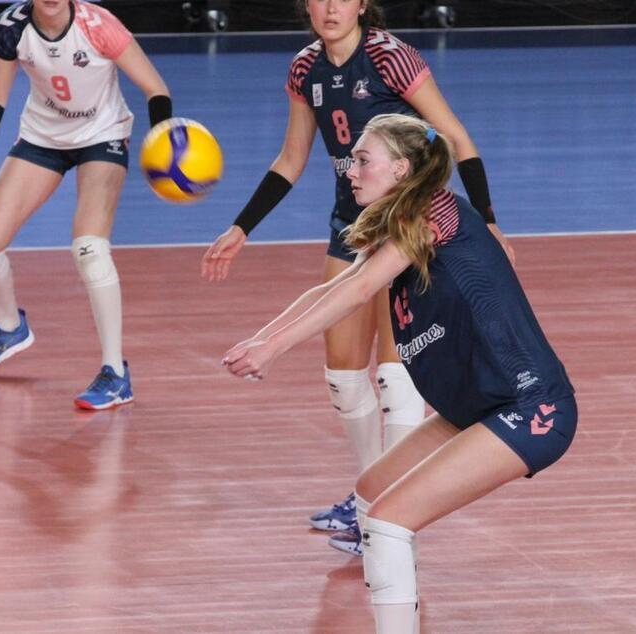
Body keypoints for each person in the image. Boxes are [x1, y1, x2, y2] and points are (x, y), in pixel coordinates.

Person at [201, 0, 514, 555]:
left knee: (397, 373)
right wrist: (242, 227)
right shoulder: (303, 70)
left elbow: (455, 135)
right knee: (344, 375)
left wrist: (490, 219)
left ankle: (393, 508)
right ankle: (368, 495)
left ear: (362, 4)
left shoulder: (391, 57)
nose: (331, 9)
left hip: (409, 224)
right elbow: (291, 160)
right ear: (307, 2)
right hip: (351, 224)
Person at [223, 114, 576, 633]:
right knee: (371, 495)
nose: (351, 169)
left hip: (529, 407)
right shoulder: (397, 227)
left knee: (389, 520)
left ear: (402, 169)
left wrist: (275, 349)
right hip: (478, 406)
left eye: (364, 160)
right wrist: (263, 335)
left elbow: (359, 292)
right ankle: (398, 609)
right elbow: (331, 289)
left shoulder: (436, 212)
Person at [0, 0, 173, 408]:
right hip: (41, 137)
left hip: (102, 136)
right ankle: (10, 328)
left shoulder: (99, 25)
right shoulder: (10, 29)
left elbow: (156, 88)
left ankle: (115, 373)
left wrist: (161, 140)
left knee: (89, 248)